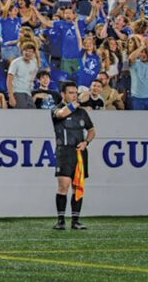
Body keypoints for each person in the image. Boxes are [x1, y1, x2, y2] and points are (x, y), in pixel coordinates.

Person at [50, 81, 96, 230]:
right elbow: (63, 113)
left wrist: (86, 142)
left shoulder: (82, 112)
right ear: (63, 94)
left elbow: (92, 130)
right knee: (64, 185)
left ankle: (75, 220)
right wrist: (76, 103)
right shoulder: (56, 109)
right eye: (71, 93)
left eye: (76, 93)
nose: (74, 96)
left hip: (80, 153)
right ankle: (61, 220)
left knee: (78, 187)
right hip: (64, 151)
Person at [7, 42, 38, 109]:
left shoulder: (34, 64)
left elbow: (32, 79)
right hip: (17, 92)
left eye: (30, 51)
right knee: (21, 114)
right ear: (22, 51)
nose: (28, 53)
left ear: (33, 53)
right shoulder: (16, 62)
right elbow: (9, 80)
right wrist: (11, 96)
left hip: (28, 93)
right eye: (26, 50)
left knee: (34, 113)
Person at [128, 39, 148, 110]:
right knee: (137, 120)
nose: (144, 54)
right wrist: (142, 46)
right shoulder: (135, 63)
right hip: (137, 98)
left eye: (146, 52)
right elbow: (130, 58)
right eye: (142, 52)